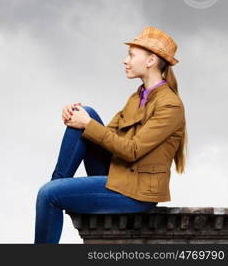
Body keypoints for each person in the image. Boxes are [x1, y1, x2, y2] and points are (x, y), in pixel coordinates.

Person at [34, 27, 188, 244]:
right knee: (85, 111)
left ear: (151, 60)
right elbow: (109, 135)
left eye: (132, 55)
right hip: (120, 175)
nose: (125, 61)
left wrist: (87, 124)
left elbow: (132, 150)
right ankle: (58, 185)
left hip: (138, 192)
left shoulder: (170, 105)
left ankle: (55, 191)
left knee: (48, 195)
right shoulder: (137, 96)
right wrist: (78, 117)